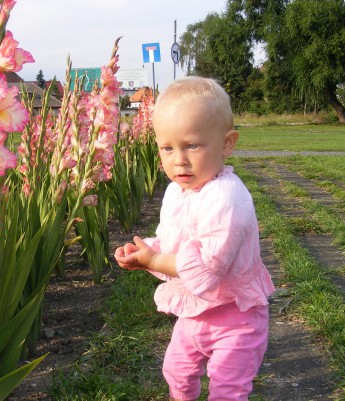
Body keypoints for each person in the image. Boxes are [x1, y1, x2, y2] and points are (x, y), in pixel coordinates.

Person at [114, 76, 275, 401]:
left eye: (192, 145)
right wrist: (146, 251)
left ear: (227, 143)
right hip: (194, 313)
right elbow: (172, 241)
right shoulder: (178, 191)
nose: (179, 160)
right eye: (167, 148)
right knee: (176, 371)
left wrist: (156, 261)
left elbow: (207, 266)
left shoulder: (227, 197)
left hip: (235, 318)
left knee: (227, 389)